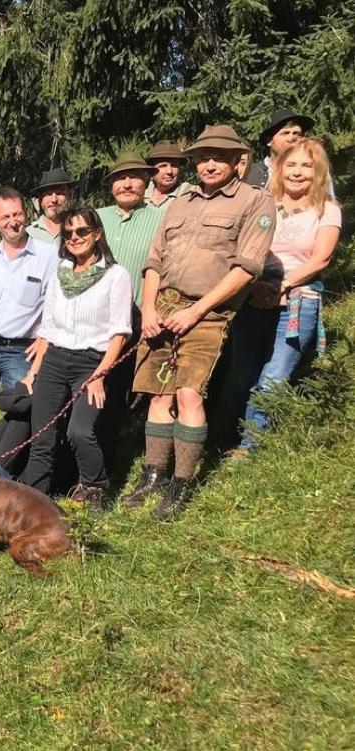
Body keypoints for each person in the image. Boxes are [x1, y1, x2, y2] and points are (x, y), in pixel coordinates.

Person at [125, 125, 276, 519]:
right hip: (164, 310)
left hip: (207, 314)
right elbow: (154, 260)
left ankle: (182, 482)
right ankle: (154, 473)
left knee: (189, 393)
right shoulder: (180, 202)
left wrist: (196, 311)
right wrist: (150, 310)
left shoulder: (255, 202)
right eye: (203, 157)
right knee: (158, 396)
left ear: (236, 161)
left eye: (219, 157)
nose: (209, 164)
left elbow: (247, 269)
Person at [229, 137, 341, 454]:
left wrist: (283, 285)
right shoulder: (262, 204)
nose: (297, 172)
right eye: (291, 164)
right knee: (242, 377)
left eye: (306, 166)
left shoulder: (327, 210)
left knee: (274, 377)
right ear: (279, 168)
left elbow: (321, 259)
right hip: (252, 294)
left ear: (317, 172)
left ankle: (250, 448)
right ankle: (234, 437)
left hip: (297, 300)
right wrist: (255, 287)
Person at [19, 208, 133, 507]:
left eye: (82, 232)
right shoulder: (61, 274)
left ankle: (94, 488)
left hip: (91, 362)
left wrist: (100, 375)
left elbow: (120, 333)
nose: (75, 238)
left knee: (80, 431)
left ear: (97, 234)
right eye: (68, 233)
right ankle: (34, 500)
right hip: (55, 360)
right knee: (42, 436)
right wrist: (34, 372)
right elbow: (48, 329)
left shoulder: (115, 275)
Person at [0, 188, 60, 462]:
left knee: (20, 413)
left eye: (17, 214)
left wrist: (45, 337)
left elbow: (57, 304)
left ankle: (7, 477)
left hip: (21, 351)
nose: (12, 221)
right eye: (4, 216)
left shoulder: (48, 256)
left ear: (26, 215)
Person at [97, 152, 167, 303]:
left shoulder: (163, 220)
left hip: (141, 318)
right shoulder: (95, 218)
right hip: (95, 314)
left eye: (134, 177)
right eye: (120, 178)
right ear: (111, 186)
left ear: (147, 183)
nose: (127, 185)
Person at [247, 108, 314, 188]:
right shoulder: (249, 174)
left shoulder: (313, 173)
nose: (291, 138)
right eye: (285, 133)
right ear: (269, 141)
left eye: (296, 134)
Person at [25, 167, 75, 244]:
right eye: (48, 194)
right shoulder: (28, 235)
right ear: (40, 200)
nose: (54, 200)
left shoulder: (81, 229)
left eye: (59, 193)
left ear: (70, 196)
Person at [144, 140, 190, 208]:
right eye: (163, 166)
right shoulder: (141, 196)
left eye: (174, 165)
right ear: (152, 169)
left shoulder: (189, 193)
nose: (169, 171)